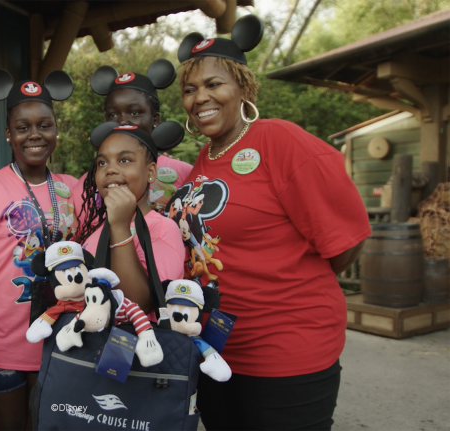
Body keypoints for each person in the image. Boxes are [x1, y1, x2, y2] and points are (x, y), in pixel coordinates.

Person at [164, 16, 371, 431]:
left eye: (214, 84)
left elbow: (345, 241)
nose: (200, 97)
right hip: (215, 352)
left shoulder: (281, 142)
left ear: (243, 87)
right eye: (190, 89)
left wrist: (287, 283)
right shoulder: (204, 160)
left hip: (286, 351)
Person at [0, 69, 77, 431]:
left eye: (45, 125)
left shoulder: (72, 188)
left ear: (56, 130)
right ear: (9, 133)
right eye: (22, 127)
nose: (35, 135)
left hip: (60, 343)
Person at [74, 121, 186, 313]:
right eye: (102, 162)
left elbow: (140, 304)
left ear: (150, 172)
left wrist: (120, 227)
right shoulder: (98, 229)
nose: (110, 169)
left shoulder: (161, 228)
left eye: (124, 160)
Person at [74, 63, 193, 217]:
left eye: (135, 112)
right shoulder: (89, 183)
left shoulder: (184, 174)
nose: (123, 121)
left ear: (155, 118)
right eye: (113, 115)